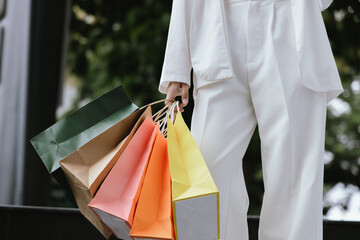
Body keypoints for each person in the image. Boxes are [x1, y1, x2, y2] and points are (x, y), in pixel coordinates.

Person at [159, 0, 343, 239]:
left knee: (294, 177)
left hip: (288, 23)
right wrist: (177, 67)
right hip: (218, 30)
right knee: (205, 171)